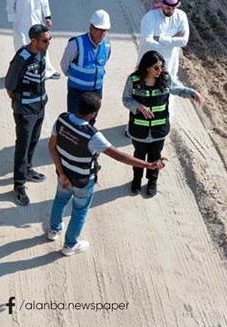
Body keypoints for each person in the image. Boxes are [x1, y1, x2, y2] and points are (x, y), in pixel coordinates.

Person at [47, 92, 166, 256]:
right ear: (93, 113)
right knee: (79, 211)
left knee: (60, 200)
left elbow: (51, 147)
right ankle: (70, 245)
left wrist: (61, 174)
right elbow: (120, 156)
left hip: (64, 175)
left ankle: (53, 230)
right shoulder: (93, 136)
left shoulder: (61, 120)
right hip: (83, 181)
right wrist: (149, 165)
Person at [122, 51, 204, 197]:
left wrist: (192, 93)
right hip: (139, 130)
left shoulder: (165, 79)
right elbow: (126, 99)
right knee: (139, 156)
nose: (160, 71)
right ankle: (136, 180)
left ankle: (152, 181)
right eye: (156, 68)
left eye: (161, 67)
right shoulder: (133, 80)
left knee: (155, 156)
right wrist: (139, 106)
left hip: (159, 131)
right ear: (147, 67)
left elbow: (177, 89)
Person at [5, 23, 51, 206]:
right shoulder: (21, 59)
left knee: (34, 141)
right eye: (45, 40)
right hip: (25, 111)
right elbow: (9, 85)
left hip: (40, 107)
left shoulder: (42, 52)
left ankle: (28, 169)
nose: (49, 43)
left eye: (49, 39)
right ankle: (19, 184)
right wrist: (18, 103)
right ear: (33, 41)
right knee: (22, 147)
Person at [6, 0, 60, 79]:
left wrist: (47, 16)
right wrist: (15, 21)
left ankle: (47, 70)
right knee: (23, 47)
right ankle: (21, 72)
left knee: (42, 44)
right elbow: (10, 4)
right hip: (21, 24)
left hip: (37, 21)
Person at [60, 9, 112, 117]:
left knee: (91, 120)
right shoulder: (76, 44)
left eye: (104, 30)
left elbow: (103, 64)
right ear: (91, 28)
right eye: (98, 30)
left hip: (96, 91)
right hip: (77, 92)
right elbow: (64, 65)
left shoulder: (107, 45)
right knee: (74, 120)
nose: (102, 34)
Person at [137, 0, 189, 82]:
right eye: (168, 8)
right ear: (161, 4)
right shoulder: (149, 17)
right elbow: (148, 42)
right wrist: (173, 41)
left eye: (173, 8)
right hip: (149, 67)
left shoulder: (181, 16)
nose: (171, 11)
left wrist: (160, 39)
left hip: (170, 66)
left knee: (168, 93)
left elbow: (184, 41)